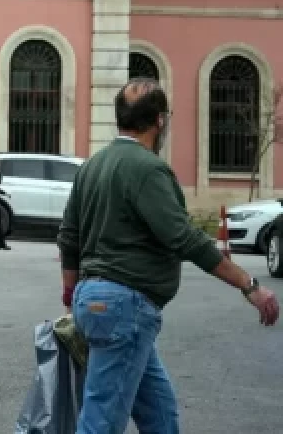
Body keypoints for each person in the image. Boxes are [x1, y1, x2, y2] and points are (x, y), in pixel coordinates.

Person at [57, 78, 280, 433]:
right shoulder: (148, 169)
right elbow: (184, 238)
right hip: (125, 308)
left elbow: (69, 237)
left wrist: (71, 296)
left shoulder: (92, 166)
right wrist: (248, 284)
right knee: (101, 422)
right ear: (159, 120)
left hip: (96, 300)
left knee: (160, 413)